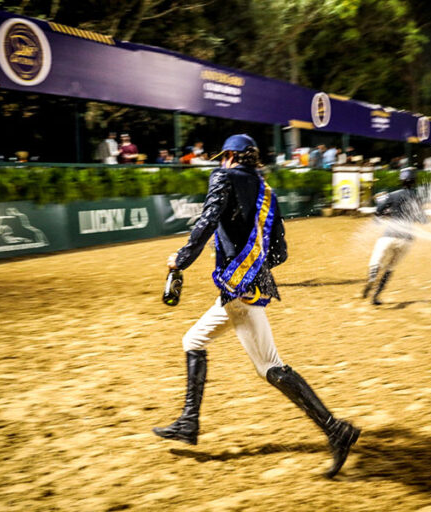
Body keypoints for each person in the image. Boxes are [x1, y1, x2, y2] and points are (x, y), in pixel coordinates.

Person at [153, 134, 360, 478]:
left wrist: (180, 261)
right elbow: (279, 253)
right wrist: (252, 270)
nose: (220, 162)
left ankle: (336, 431)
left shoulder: (222, 177)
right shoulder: (267, 191)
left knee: (270, 366)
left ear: (231, 156)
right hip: (250, 285)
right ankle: (189, 422)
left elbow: (205, 222)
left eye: (223, 157)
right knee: (194, 340)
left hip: (238, 288)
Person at [362, 167, 426, 305]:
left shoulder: (393, 195)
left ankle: (372, 277)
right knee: (390, 268)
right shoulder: (418, 199)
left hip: (389, 235)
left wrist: (382, 216)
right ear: (414, 181)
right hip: (406, 240)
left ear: (401, 180)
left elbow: (379, 210)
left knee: (377, 260)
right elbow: (423, 219)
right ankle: (376, 296)